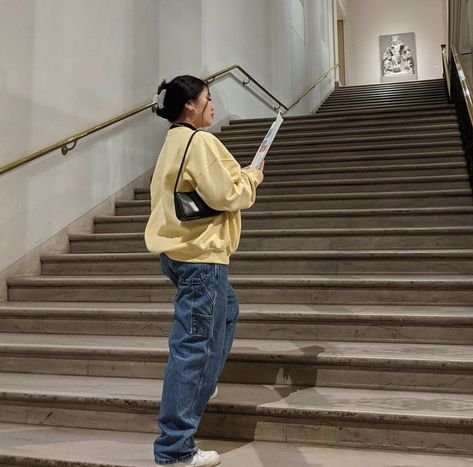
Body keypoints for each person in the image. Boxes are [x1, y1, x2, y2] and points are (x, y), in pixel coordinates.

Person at [144, 75, 265, 466]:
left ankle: (203, 384)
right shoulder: (201, 142)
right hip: (201, 259)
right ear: (190, 106)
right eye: (208, 98)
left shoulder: (172, 142)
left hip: (178, 254)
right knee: (192, 348)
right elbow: (229, 195)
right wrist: (253, 174)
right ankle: (175, 450)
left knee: (227, 311)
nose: (213, 105)